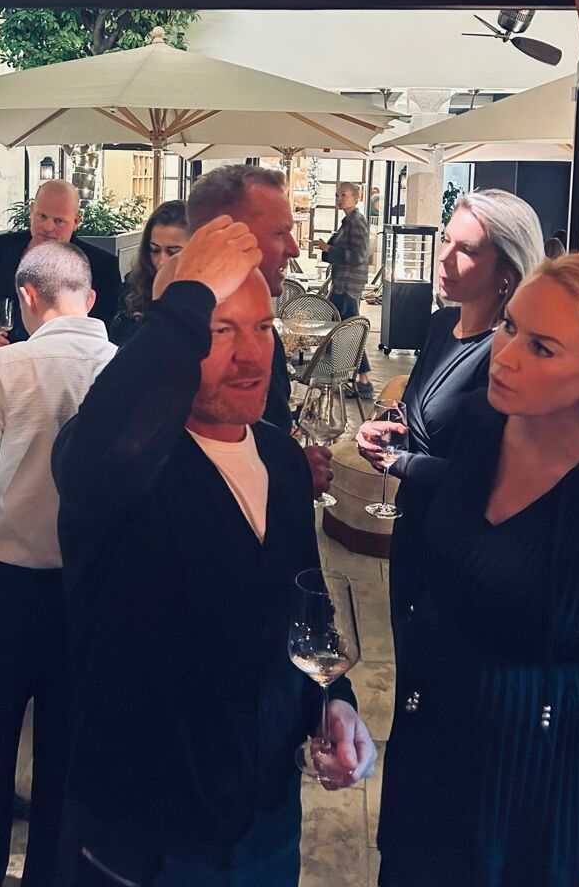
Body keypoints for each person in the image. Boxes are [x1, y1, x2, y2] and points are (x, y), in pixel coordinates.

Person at [53, 217, 376, 886]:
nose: (252, 357)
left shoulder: (281, 460)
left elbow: (302, 608)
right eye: (218, 332)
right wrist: (184, 299)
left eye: (262, 328)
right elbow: (100, 449)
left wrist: (333, 700)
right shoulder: (126, 467)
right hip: (147, 835)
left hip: (266, 826)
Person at [376, 252, 579, 887]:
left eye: (541, 347)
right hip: (434, 759)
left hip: (547, 798)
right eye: (509, 327)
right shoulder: (481, 426)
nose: (504, 356)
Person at [0, 241, 115, 887]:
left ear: (27, 297)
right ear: (91, 300)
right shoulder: (125, 369)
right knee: (66, 768)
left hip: (5, 593)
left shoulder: (3, 367)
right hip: (89, 599)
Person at [356, 189, 544, 631]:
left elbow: (489, 475)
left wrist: (398, 462)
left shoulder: (507, 355)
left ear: (507, 273)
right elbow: (416, 414)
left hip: (462, 541)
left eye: (468, 250)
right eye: (445, 240)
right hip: (412, 523)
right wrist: (382, 428)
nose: (444, 257)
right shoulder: (441, 324)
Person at [186, 164, 333, 499]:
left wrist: (288, 464)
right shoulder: (174, 342)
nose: (294, 249)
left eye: (262, 327)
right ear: (227, 236)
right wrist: (290, 474)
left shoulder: (268, 338)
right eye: (280, 233)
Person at [0, 179, 121, 352]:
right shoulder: (4, 248)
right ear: (31, 210)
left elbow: (103, 328)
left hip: (65, 361)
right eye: (42, 216)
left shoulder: (102, 266)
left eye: (59, 221)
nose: (48, 227)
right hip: (5, 356)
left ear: (76, 221)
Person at [312, 181, 373, 399]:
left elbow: (358, 257)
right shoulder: (347, 222)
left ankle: (350, 379)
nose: (339, 199)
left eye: (343, 195)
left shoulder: (356, 222)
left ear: (357, 197)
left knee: (343, 330)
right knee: (343, 329)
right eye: (337, 195)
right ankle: (354, 379)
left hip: (348, 286)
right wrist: (327, 248)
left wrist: (330, 248)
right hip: (342, 284)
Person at [109, 199, 188, 346]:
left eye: (173, 252)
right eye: (154, 250)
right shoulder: (134, 287)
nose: (162, 261)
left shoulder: (213, 294)